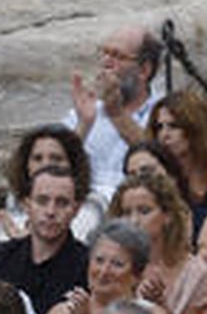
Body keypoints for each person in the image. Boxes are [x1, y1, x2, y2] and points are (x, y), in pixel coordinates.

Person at [35, 219, 175, 314]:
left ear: (137, 275)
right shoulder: (65, 311)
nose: (103, 271)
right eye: (99, 260)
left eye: (117, 264)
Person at [111, 169, 207, 314]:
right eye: (127, 213)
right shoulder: (110, 265)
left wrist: (161, 306)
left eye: (144, 211)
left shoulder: (196, 273)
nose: (134, 221)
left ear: (167, 215)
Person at [67, 24, 164, 198]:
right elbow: (58, 166)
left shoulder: (165, 113)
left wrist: (117, 114)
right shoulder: (86, 109)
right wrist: (84, 123)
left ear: (144, 70)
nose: (106, 62)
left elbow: (165, 164)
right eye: (104, 53)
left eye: (118, 56)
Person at [0, 163, 90, 314]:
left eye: (62, 203)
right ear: (26, 205)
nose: (51, 211)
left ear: (76, 209)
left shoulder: (89, 266)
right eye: (42, 201)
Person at [147, 90, 207, 244]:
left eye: (173, 126)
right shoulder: (155, 183)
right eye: (159, 127)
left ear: (194, 129)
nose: (164, 135)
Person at [0, 124, 103, 243]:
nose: (45, 165)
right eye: (37, 158)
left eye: (56, 159)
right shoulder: (14, 199)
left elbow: (79, 238)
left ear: (73, 165)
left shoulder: (92, 203)